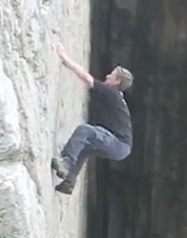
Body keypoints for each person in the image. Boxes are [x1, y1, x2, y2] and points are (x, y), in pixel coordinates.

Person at [51, 43, 133, 195]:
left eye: (112, 75)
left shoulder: (111, 92)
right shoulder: (116, 96)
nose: (108, 75)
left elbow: (86, 78)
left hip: (118, 143)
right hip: (123, 148)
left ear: (117, 82)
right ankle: (69, 182)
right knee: (85, 149)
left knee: (85, 131)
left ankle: (66, 163)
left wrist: (64, 58)